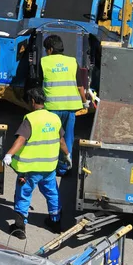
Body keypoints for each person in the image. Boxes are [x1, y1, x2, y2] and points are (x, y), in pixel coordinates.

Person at [3, 87, 71, 239]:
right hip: (49, 168)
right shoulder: (54, 118)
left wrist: (9, 154)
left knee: (23, 195)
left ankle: (19, 228)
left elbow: (21, 139)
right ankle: (55, 222)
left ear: (32, 102)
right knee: (52, 193)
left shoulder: (30, 119)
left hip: (29, 170)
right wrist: (67, 155)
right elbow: (61, 141)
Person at [40, 35, 88, 176]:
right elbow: (80, 87)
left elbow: (38, 84)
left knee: (51, 136)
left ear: (50, 49)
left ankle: (48, 165)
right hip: (70, 108)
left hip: (51, 107)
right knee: (67, 137)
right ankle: (63, 168)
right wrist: (85, 102)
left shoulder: (44, 62)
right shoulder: (72, 62)